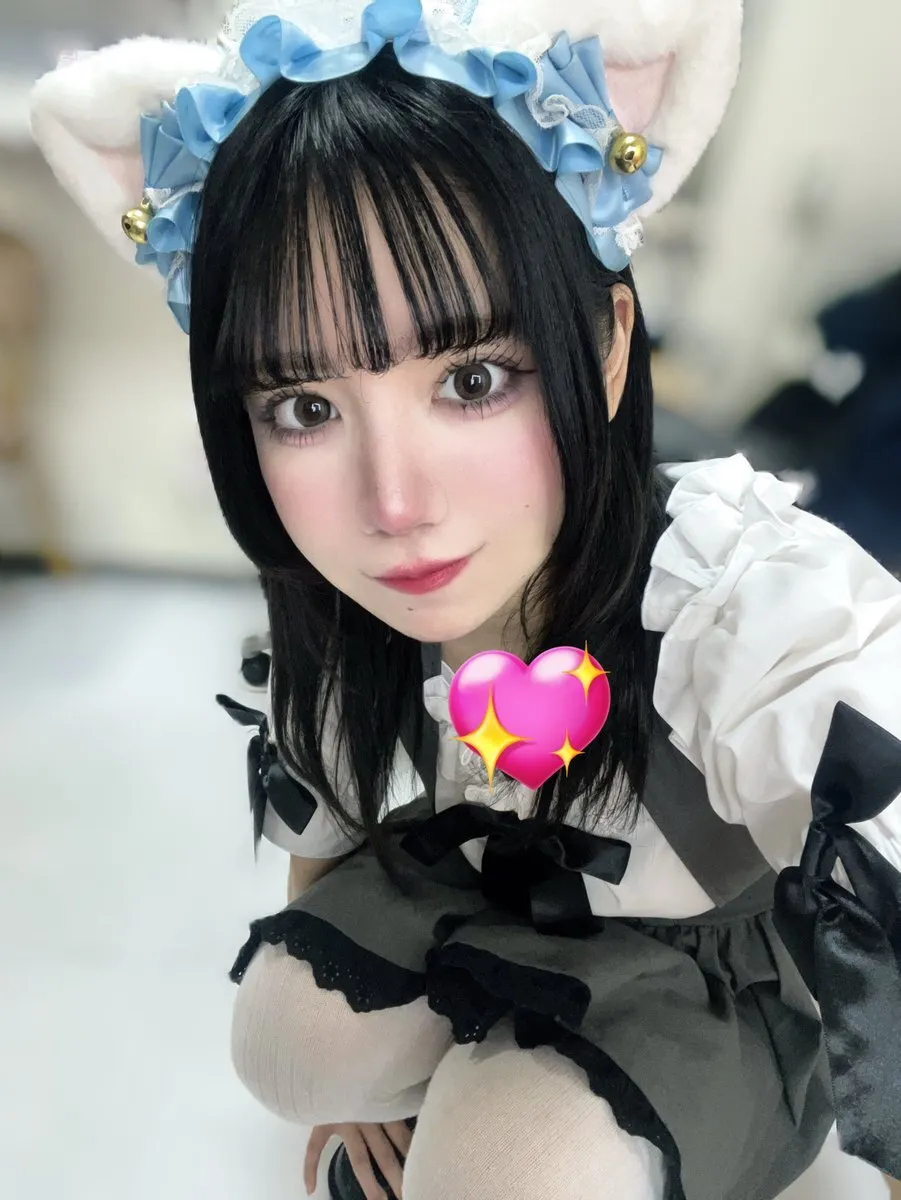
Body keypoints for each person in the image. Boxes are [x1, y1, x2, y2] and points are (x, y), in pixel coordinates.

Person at [30, 3, 901, 1199]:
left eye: (474, 379)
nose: (395, 504)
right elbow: (330, 828)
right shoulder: (348, 602)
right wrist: (346, 1087)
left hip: (705, 966)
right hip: (492, 887)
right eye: (304, 408)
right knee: (286, 1045)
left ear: (605, 347)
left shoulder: (739, 601)